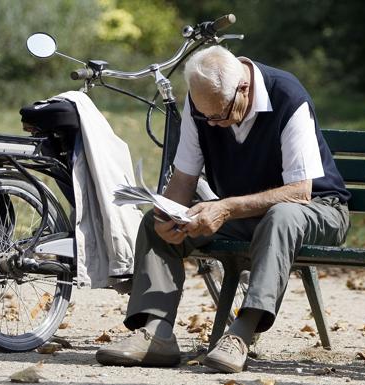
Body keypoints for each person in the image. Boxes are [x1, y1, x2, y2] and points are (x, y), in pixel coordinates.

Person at [95, 45, 351, 373]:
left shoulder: (287, 96)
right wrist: (167, 215)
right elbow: (185, 178)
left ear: (243, 88)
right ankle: (156, 333)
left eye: (220, 115)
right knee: (153, 224)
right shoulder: (202, 104)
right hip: (250, 215)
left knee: (281, 215)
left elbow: (300, 193)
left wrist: (225, 208)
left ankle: (241, 335)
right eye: (207, 117)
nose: (214, 124)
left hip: (319, 210)